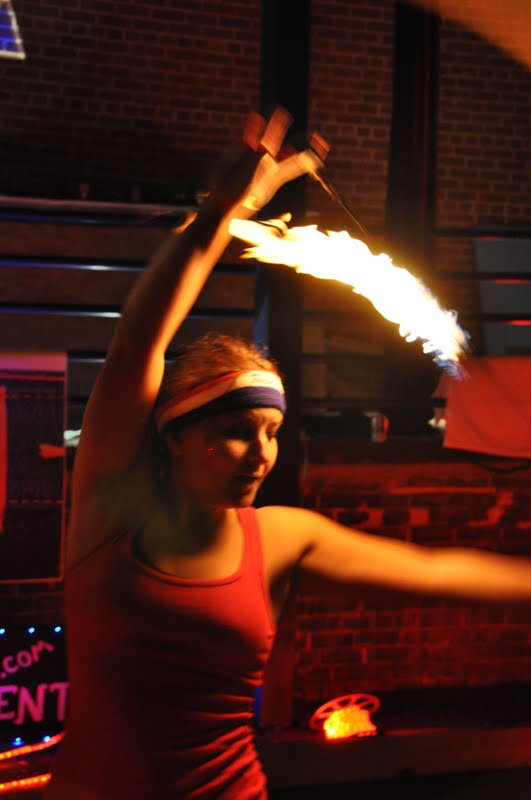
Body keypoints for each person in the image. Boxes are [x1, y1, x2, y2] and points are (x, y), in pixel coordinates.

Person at [45, 109, 531, 800]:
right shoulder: (109, 514)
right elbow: (135, 346)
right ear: (174, 433)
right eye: (238, 430)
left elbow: (436, 572)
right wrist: (221, 213)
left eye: (272, 432)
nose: (261, 454)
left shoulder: (278, 538)